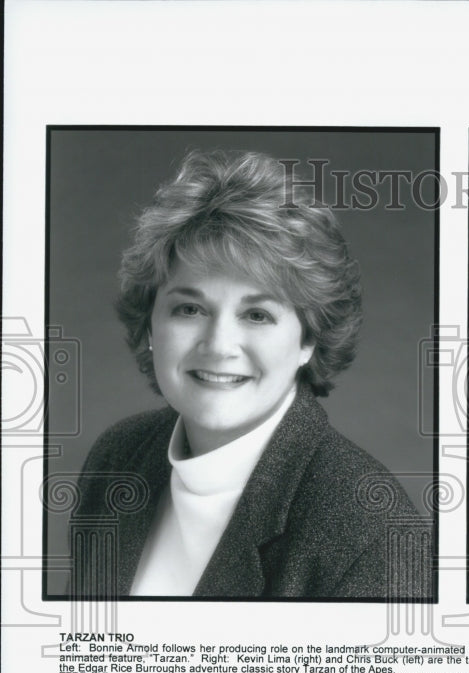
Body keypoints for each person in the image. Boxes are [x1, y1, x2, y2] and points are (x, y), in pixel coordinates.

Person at [70, 149, 431, 599]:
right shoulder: (117, 459)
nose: (219, 345)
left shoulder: (370, 531)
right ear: (149, 325)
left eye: (257, 314)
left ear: (308, 340)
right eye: (189, 309)